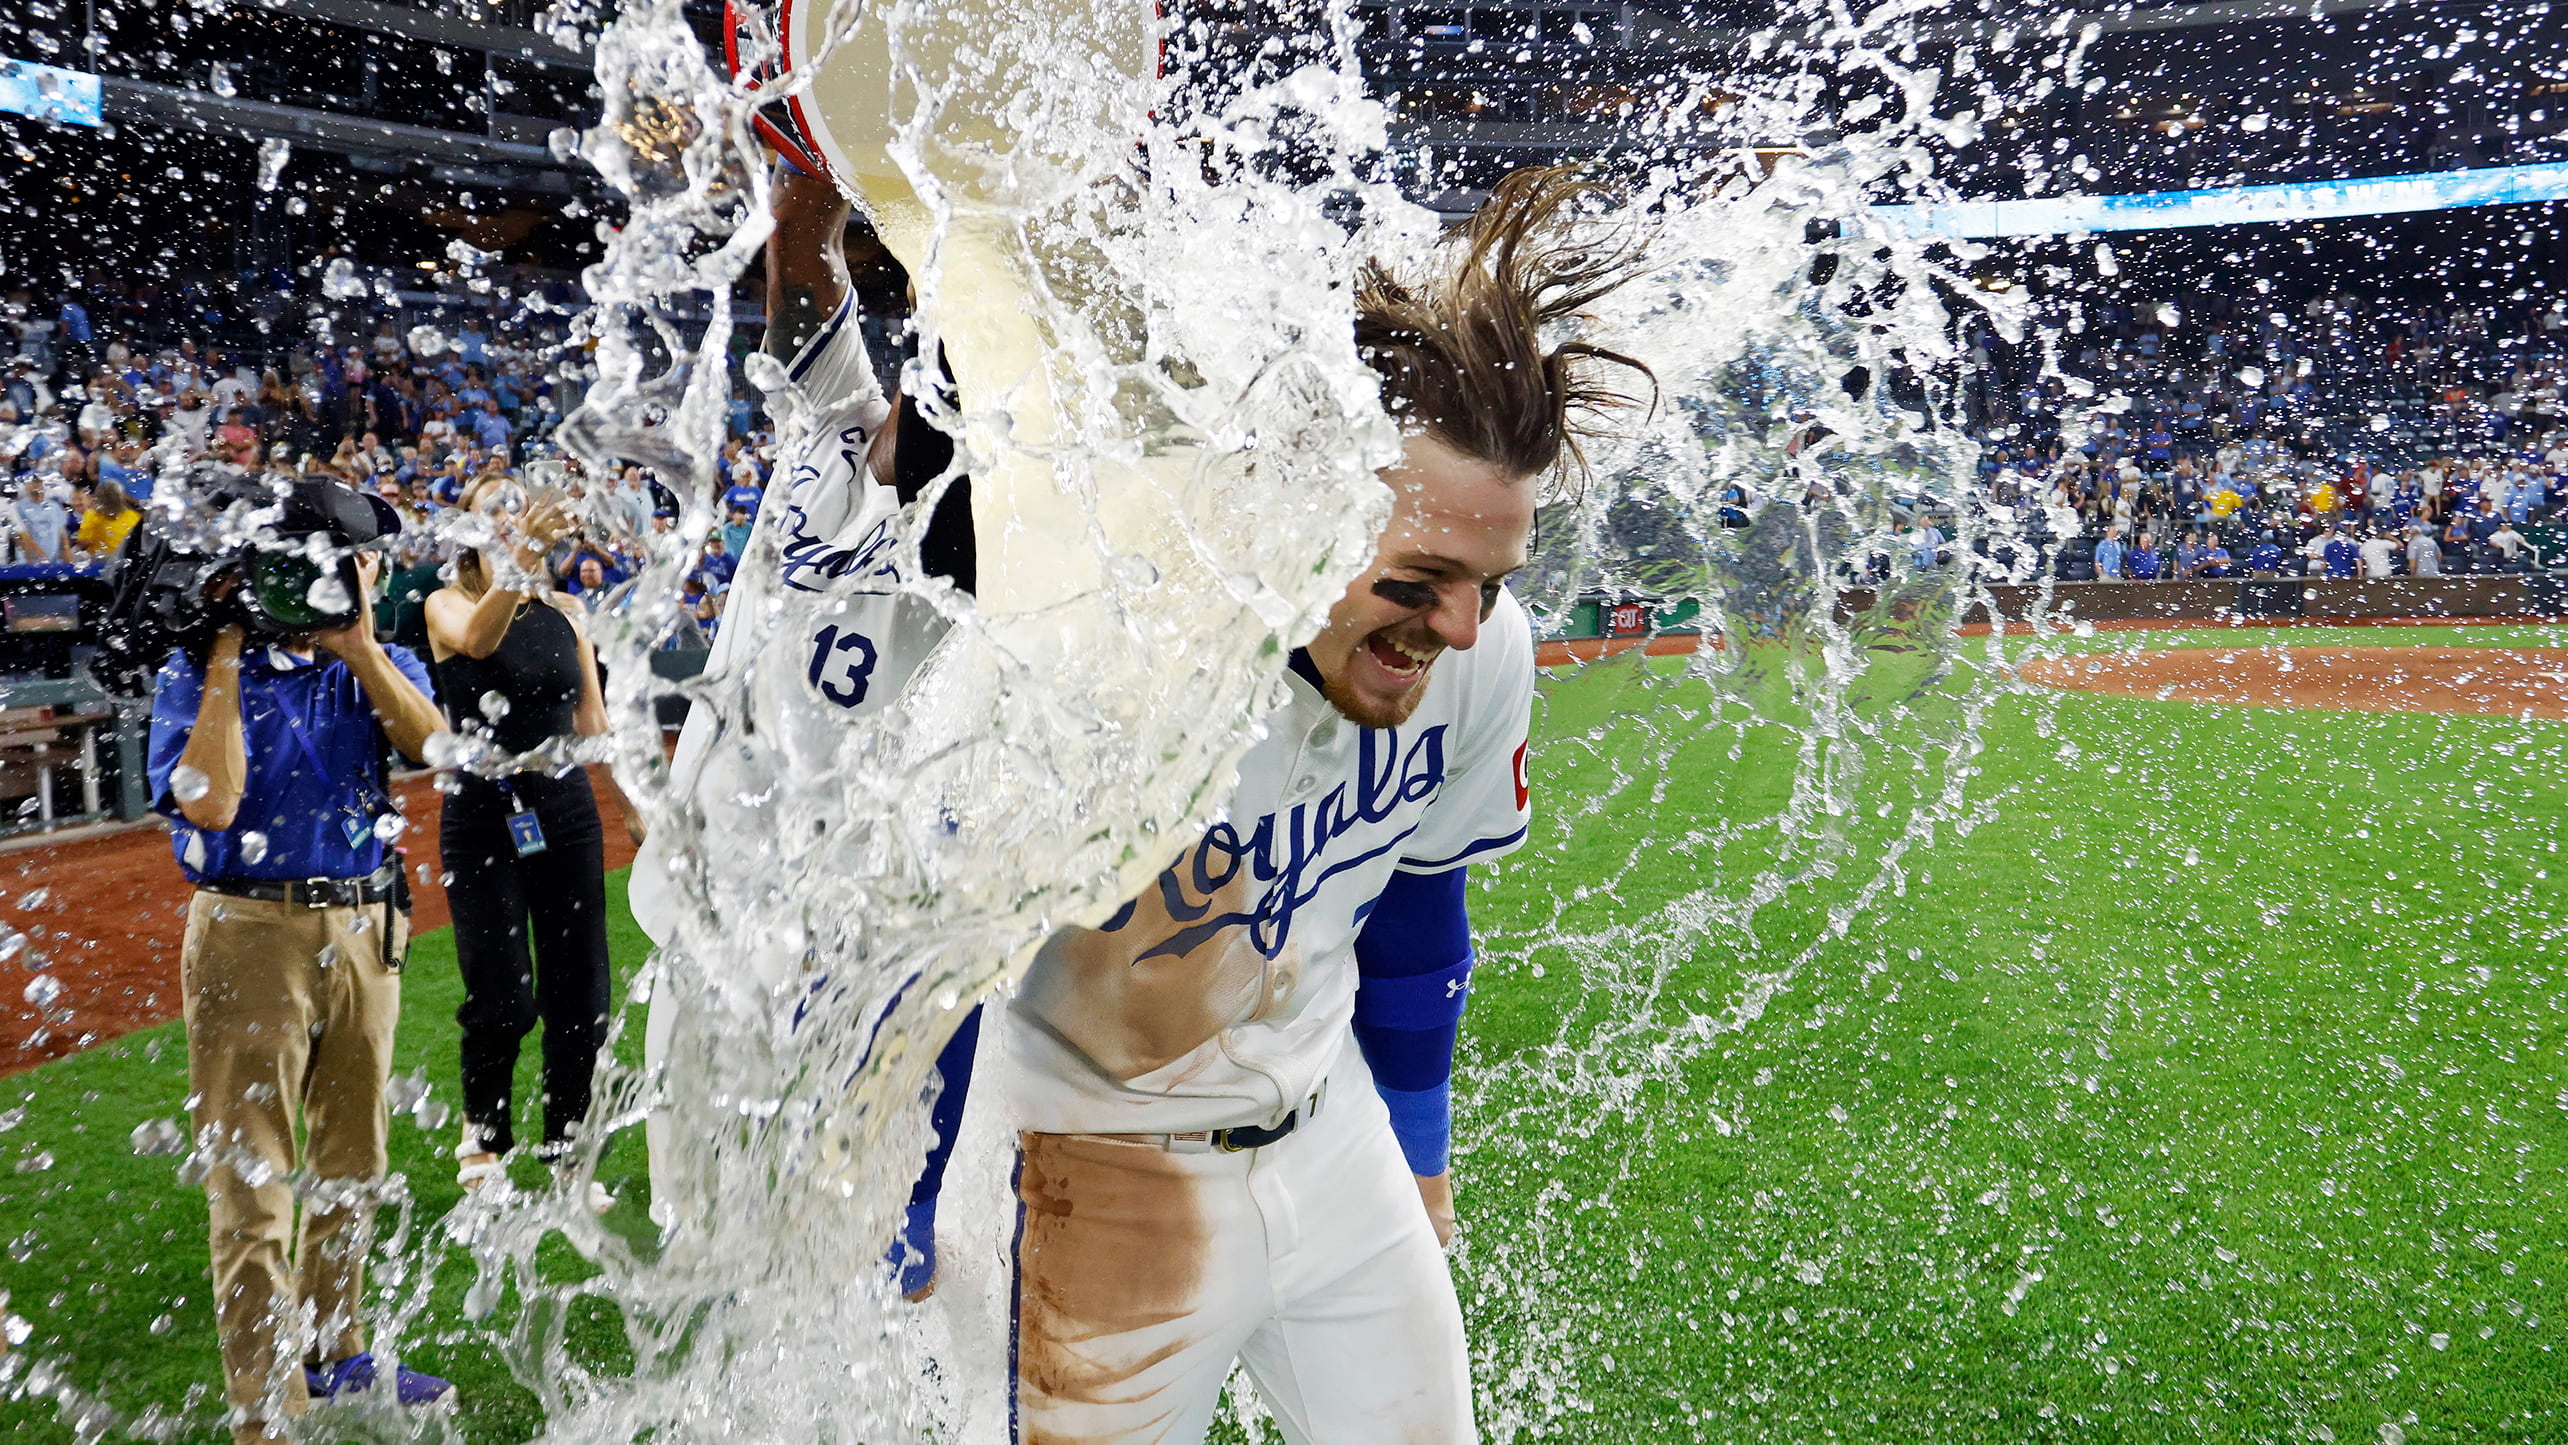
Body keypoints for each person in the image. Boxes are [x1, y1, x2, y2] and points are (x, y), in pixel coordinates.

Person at [993, 166, 1651, 1444]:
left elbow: (1419, 899)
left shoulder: (1481, 647)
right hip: (1098, 1172)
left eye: (1492, 581)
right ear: (1296, 506)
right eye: (1422, 576)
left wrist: (1419, 1146)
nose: (1461, 626)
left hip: (1332, 1131)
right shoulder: (1110, 644)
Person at [145, 482, 455, 1442]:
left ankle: (336, 1350)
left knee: (354, 1160)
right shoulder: (195, 669)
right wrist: (230, 647)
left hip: (366, 925)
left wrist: (358, 646)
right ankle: (264, 1405)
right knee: (255, 1180)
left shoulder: (378, 660)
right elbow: (212, 805)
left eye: (351, 568)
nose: (333, 585)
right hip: (250, 930)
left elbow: (436, 747)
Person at [423, 475, 623, 1208]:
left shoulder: (568, 612)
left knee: (582, 988)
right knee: (502, 989)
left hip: (564, 805)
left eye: (518, 505)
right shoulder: (447, 605)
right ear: (469, 535)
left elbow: (593, 723)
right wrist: (527, 550)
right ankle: (483, 1141)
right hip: (483, 808)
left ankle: (569, 1149)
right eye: (493, 511)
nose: (511, 518)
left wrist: (634, 806)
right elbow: (478, 638)